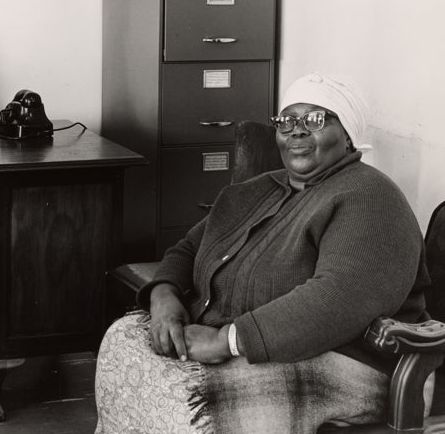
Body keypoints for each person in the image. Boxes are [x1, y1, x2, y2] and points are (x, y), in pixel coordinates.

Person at [95, 73, 431, 434]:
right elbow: (190, 248)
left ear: (347, 134)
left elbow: (341, 297)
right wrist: (164, 295)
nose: (297, 131)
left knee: (185, 392)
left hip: (351, 362)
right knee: (123, 340)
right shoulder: (255, 191)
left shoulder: (369, 195)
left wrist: (227, 340)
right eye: (287, 120)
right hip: (256, 346)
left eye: (316, 119)